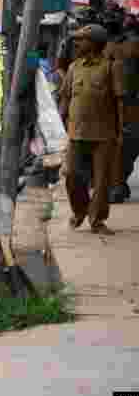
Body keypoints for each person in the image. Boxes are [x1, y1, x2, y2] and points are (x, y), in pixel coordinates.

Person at [59, 24, 123, 236]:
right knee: (71, 175)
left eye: (82, 40)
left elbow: (119, 101)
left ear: (94, 43)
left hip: (104, 133)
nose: (78, 43)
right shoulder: (74, 67)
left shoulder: (110, 67)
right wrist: (61, 120)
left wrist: (121, 131)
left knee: (102, 179)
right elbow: (66, 97)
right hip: (77, 132)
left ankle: (97, 219)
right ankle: (80, 211)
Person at [104, 13, 139, 203]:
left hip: (131, 103)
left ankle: (119, 182)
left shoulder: (134, 44)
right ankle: (114, 184)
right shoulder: (101, 45)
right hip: (105, 103)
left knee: (128, 144)